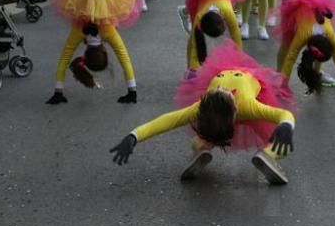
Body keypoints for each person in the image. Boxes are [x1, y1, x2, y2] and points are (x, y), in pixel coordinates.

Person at [109, 42, 296, 185]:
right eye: (218, 89)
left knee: (280, 140)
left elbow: (168, 121)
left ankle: (262, 153)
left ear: (235, 110)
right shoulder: (203, 106)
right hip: (232, 107)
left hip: (250, 94)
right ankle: (207, 145)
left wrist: (286, 126)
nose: (222, 87)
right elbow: (166, 121)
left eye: (220, 90)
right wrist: (134, 136)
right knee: (210, 133)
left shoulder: (247, 106)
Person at [275, 0, 335, 96]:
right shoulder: (303, 34)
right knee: (287, 42)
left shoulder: (329, 33)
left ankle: (318, 73)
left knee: (320, 50)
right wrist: (284, 85)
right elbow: (291, 57)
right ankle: (279, 77)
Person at [180, 0, 245, 71]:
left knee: (195, 31)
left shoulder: (227, 11)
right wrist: (192, 67)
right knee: (193, 34)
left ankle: (185, 9)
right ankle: (185, 11)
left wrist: (239, 60)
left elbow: (235, 33)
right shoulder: (199, 15)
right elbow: (195, 41)